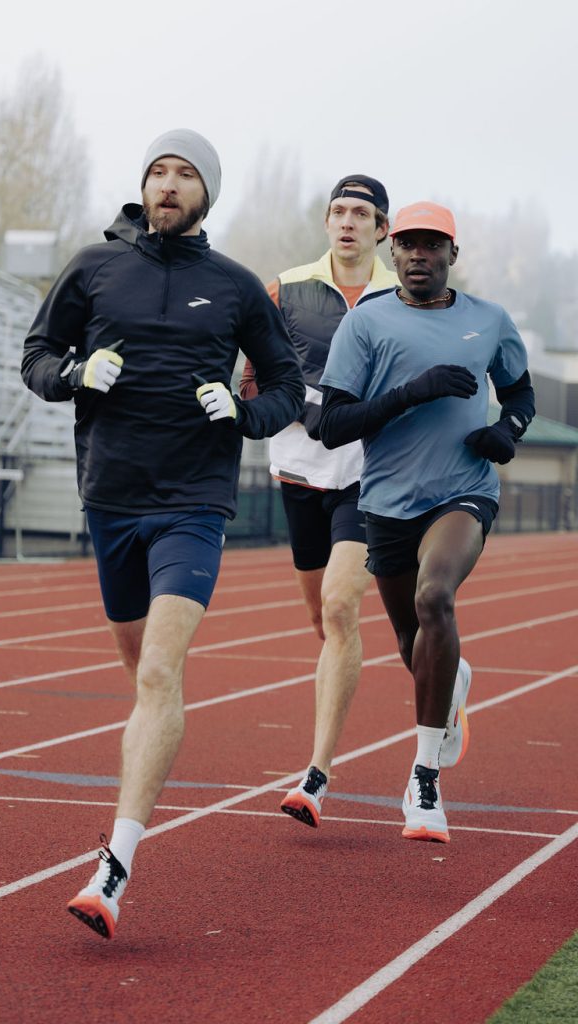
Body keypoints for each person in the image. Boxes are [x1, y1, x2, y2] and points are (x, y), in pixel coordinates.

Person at [21, 129, 304, 938]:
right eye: (158, 172)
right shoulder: (94, 268)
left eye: (184, 174)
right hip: (111, 496)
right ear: (143, 188)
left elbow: (287, 384)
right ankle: (156, 744)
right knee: (148, 674)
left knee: (157, 674)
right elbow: (36, 354)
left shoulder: (238, 287)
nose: (169, 184)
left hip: (194, 500)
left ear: (207, 193)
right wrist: (74, 375)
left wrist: (244, 413)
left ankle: (114, 866)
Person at [318, 201, 535, 843]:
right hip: (386, 502)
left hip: (463, 492)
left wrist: (506, 431)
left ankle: (423, 780)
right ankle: (453, 679)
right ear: (393, 251)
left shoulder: (489, 320)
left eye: (432, 245)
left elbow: (521, 394)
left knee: (435, 597)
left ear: (452, 255)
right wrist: (415, 391)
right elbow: (332, 427)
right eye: (408, 244)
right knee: (414, 646)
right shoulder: (366, 324)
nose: (419, 255)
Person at [239, 175, 397, 829]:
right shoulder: (286, 289)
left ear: (383, 228)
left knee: (340, 603)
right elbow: (256, 381)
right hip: (301, 472)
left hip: (375, 474)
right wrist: (308, 407)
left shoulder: (405, 296)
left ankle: (316, 774)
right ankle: (437, 659)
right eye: (338, 211)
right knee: (323, 620)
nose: (348, 221)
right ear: (326, 222)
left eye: (361, 213)